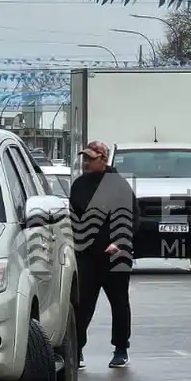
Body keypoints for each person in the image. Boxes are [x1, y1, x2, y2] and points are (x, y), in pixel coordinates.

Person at [69, 141, 137, 368]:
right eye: (84, 158)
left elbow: (133, 217)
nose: (86, 162)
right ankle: (76, 349)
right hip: (87, 256)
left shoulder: (118, 185)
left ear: (103, 159)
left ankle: (120, 349)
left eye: (91, 158)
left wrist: (119, 242)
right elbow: (72, 218)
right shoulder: (79, 185)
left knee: (119, 303)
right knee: (82, 304)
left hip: (115, 256)